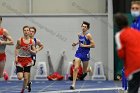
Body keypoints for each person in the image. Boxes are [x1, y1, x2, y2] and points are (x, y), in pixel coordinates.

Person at [114, 13, 140, 93]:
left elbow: (121, 54)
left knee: (133, 90)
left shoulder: (119, 35)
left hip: (134, 67)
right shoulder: (136, 32)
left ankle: (125, 88)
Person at [70, 21, 95, 89]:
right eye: (83, 26)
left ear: (87, 28)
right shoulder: (79, 34)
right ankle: (73, 85)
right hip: (79, 52)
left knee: (84, 71)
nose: (83, 28)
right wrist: (75, 43)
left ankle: (89, 69)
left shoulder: (89, 35)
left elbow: (93, 45)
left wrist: (85, 45)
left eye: (85, 27)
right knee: (75, 68)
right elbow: (80, 41)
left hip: (86, 53)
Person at [15, 26, 36, 93]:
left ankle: (22, 90)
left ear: (29, 32)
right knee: (20, 77)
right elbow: (16, 48)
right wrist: (16, 57)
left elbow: (34, 51)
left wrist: (30, 50)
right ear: (23, 31)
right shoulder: (19, 40)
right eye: (25, 30)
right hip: (20, 60)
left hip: (28, 60)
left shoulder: (32, 41)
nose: (26, 32)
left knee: (26, 78)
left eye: (27, 30)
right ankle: (23, 72)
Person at [27, 26, 44, 92]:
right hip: (24, 56)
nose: (31, 32)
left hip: (32, 56)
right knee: (25, 71)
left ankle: (28, 82)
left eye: (32, 31)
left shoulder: (36, 40)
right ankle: (28, 82)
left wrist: (37, 50)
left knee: (28, 68)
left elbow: (42, 46)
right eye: (30, 31)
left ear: (34, 33)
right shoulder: (25, 39)